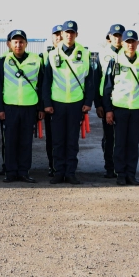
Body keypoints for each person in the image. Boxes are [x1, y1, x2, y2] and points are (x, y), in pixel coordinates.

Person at [41, 20, 93, 184]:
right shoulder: (52, 54)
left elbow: (89, 80)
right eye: (66, 32)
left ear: (76, 34)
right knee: (57, 140)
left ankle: (70, 172)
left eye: (72, 32)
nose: (69, 35)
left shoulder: (84, 53)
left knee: (72, 141)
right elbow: (46, 81)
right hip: (57, 104)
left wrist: (88, 101)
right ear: (61, 35)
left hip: (76, 103)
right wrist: (47, 103)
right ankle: (58, 172)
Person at [102, 29, 139, 185]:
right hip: (120, 108)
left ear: (137, 43)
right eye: (127, 42)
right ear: (122, 43)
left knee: (133, 144)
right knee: (120, 143)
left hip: (137, 109)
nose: (130, 45)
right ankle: (121, 174)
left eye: (133, 41)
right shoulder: (115, 61)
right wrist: (109, 110)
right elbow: (107, 88)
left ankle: (131, 173)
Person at [0, 29, 42, 182]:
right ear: (9, 44)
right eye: (15, 42)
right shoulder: (2, 61)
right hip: (10, 107)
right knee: (10, 141)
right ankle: (11, 172)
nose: (18, 45)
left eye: (21, 42)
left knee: (26, 141)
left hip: (29, 106)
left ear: (26, 43)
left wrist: (40, 108)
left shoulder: (36, 60)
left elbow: (42, 84)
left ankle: (24, 172)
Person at [98, 24, 126, 178]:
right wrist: (99, 104)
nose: (118, 38)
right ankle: (109, 167)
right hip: (106, 100)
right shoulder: (102, 54)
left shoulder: (127, 54)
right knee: (109, 137)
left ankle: (121, 166)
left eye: (120, 35)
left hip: (123, 101)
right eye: (115, 36)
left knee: (121, 137)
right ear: (109, 37)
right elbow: (96, 80)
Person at [43, 23, 62, 175]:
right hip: (50, 103)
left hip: (68, 103)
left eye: (61, 34)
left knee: (68, 138)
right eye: (56, 34)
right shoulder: (45, 55)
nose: (60, 37)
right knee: (52, 137)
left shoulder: (76, 54)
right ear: (52, 37)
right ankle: (53, 165)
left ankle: (66, 168)